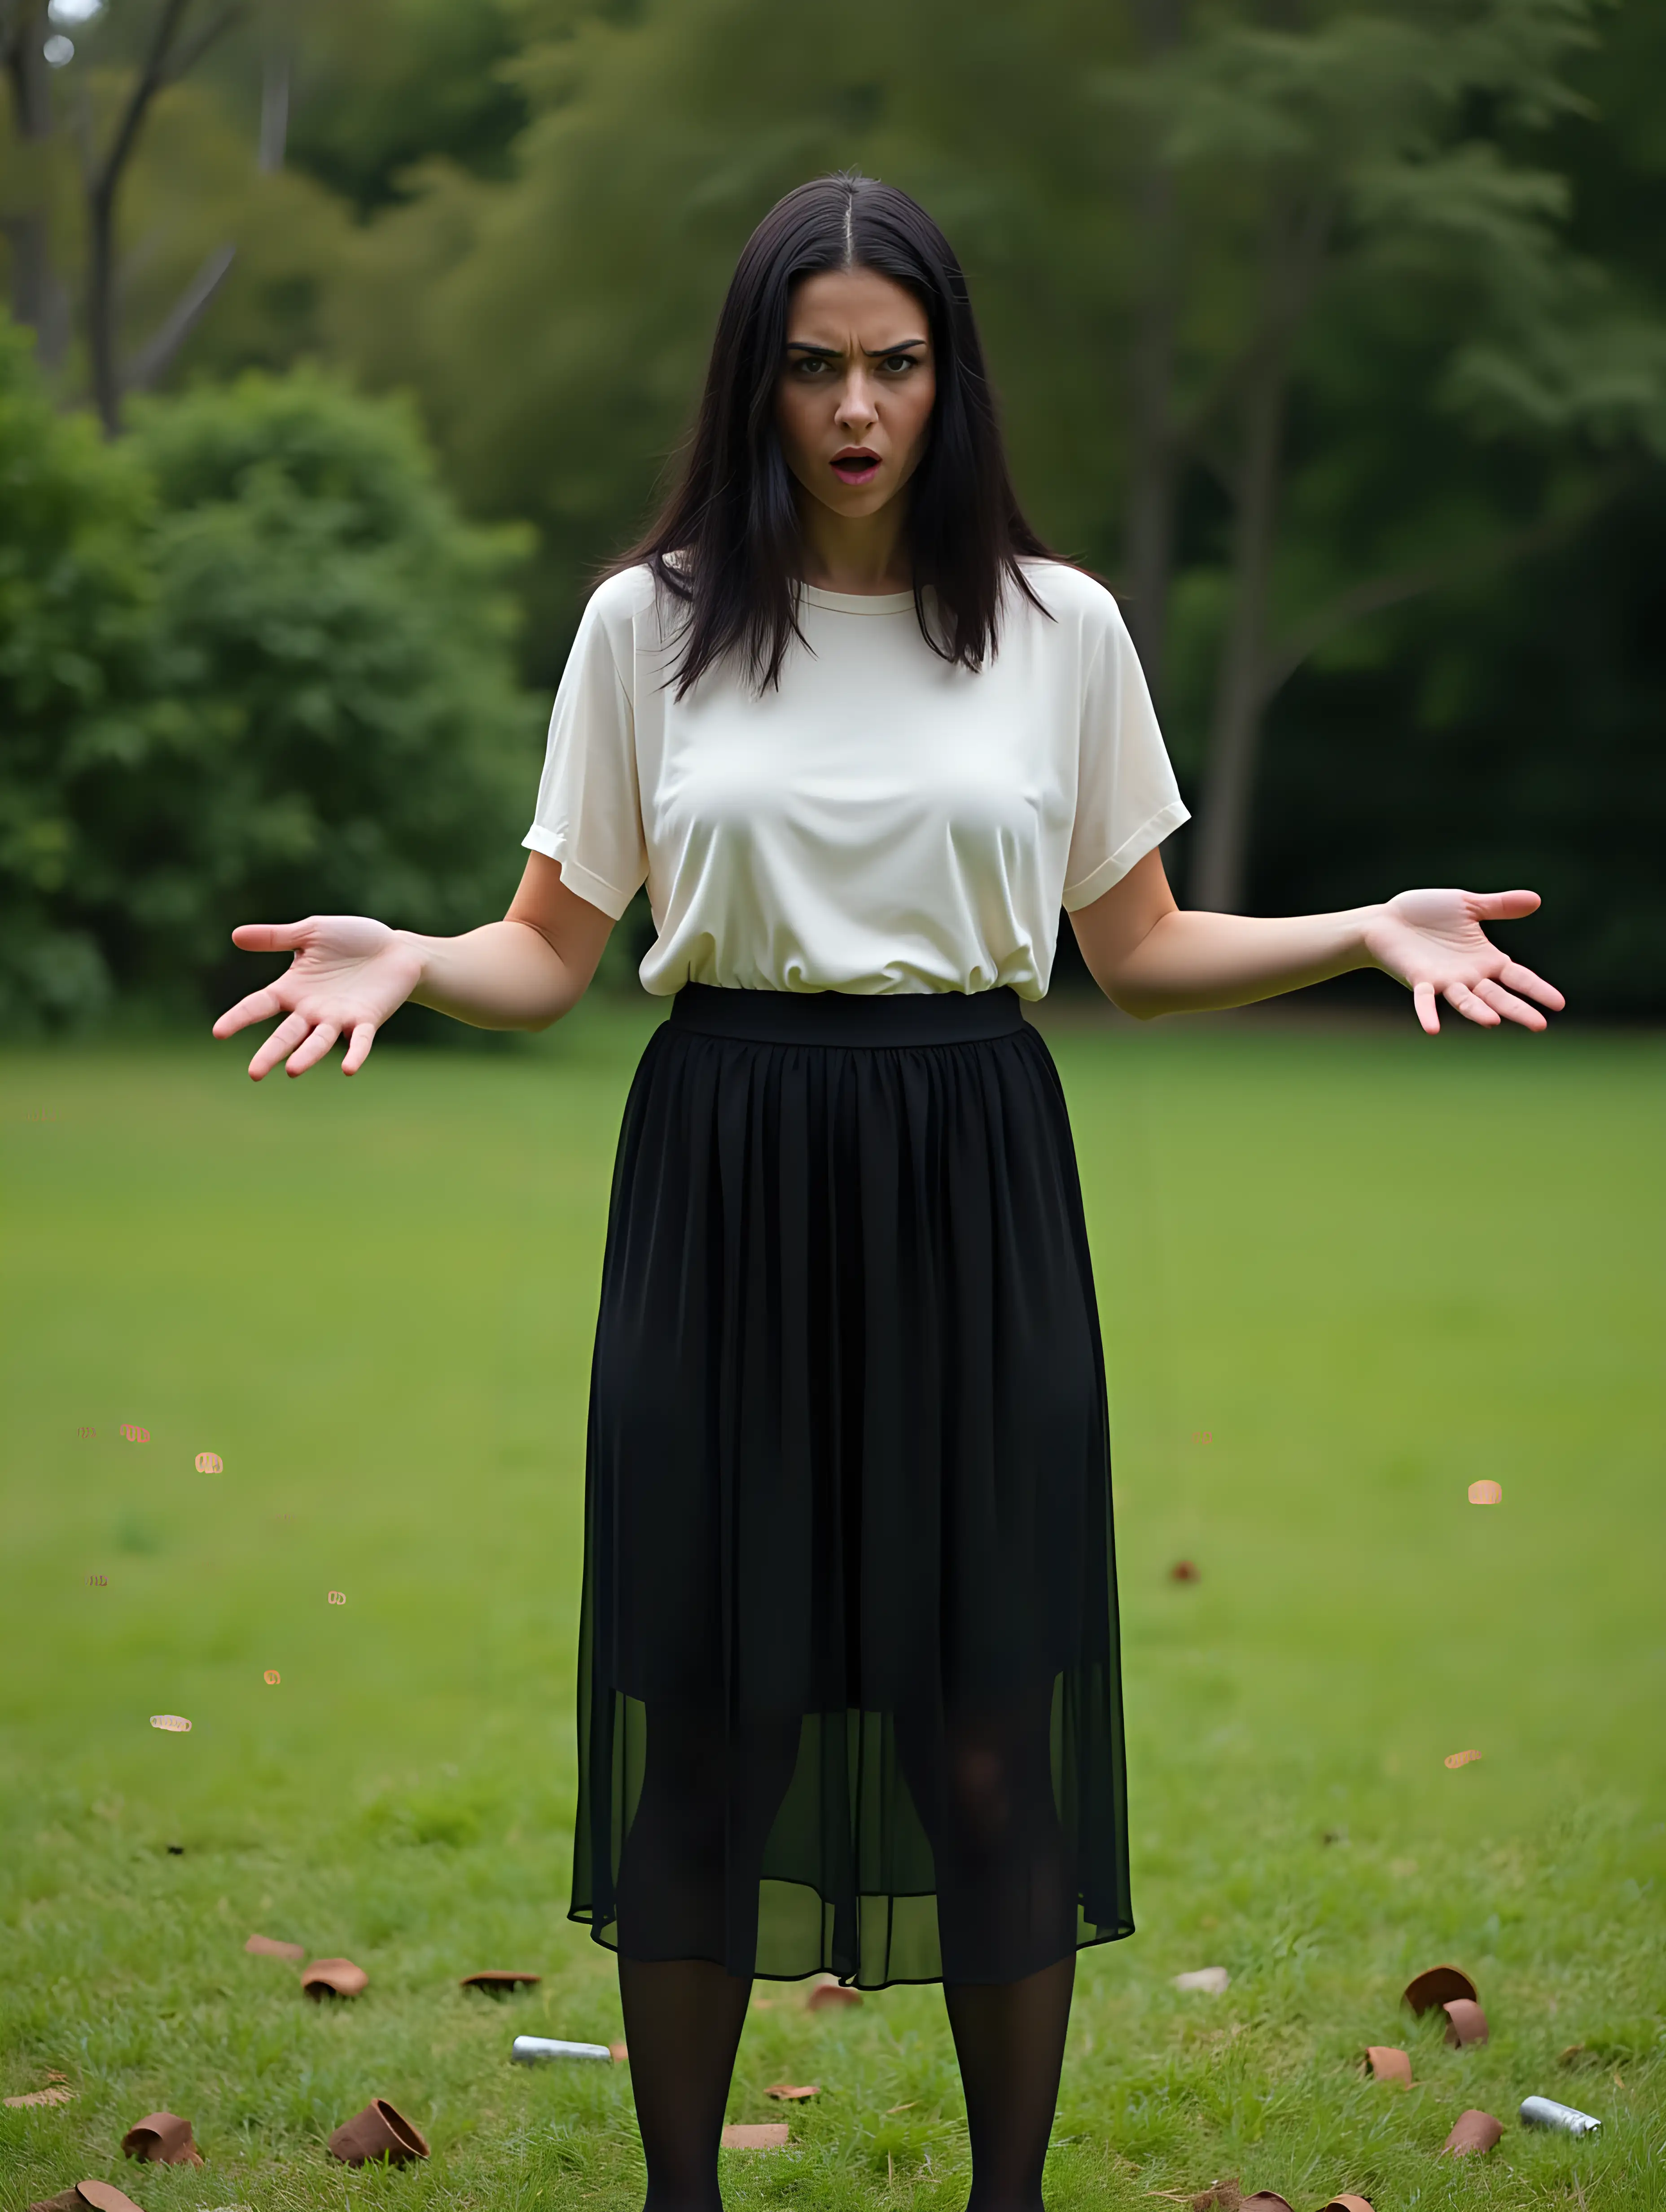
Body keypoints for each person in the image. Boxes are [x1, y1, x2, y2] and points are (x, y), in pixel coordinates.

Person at [213, 172, 1563, 2212]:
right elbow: (551, 947)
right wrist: (411, 953)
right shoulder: (644, 625)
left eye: (896, 364)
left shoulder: (1060, 627)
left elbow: (1140, 949)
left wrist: (1362, 928)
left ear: (952, 379)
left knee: (987, 1736)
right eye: (816, 364)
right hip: (723, 1171)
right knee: (715, 1728)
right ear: (756, 380)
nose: (856, 406)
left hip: (973, 1175)